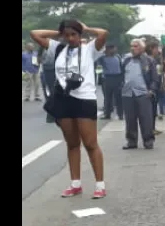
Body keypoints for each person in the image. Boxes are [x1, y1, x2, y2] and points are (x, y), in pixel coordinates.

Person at [30, 20, 109, 199]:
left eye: (74, 34)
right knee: (72, 144)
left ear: (80, 35)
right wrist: (58, 33)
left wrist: (87, 28)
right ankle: (75, 184)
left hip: (85, 99)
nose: (70, 38)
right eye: (67, 35)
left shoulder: (90, 49)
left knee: (90, 143)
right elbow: (35, 33)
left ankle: (100, 185)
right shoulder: (58, 48)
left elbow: (103, 33)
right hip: (64, 99)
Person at [120, 39, 158, 150]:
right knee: (130, 119)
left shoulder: (149, 60)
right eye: (131, 46)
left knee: (146, 119)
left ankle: (148, 141)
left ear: (142, 48)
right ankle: (131, 141)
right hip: (128, 93)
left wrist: (151, 90)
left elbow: (155, 78)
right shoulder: (126, 59)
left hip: (143, 93)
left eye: (136, 46)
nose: (133, 48)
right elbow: (121, 74)